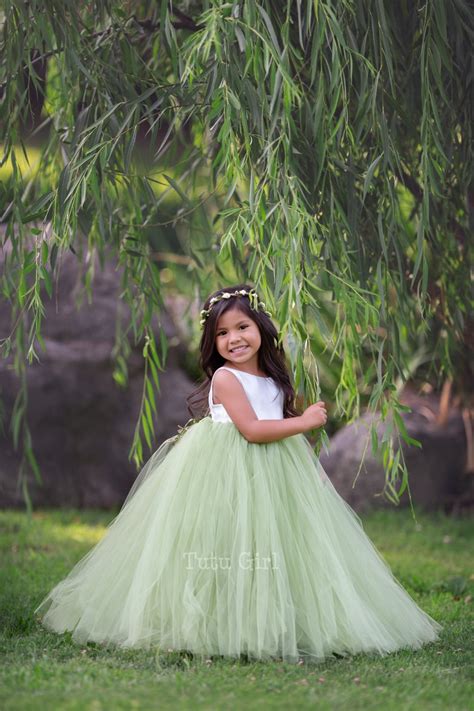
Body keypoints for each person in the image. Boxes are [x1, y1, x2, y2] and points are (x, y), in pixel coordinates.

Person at [36, 284, 442, 664]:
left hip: (275, 471)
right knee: (227, 545)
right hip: (227, 469)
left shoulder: (272, 378)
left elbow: (277, 423)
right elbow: (252, 430)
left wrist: (309, 464)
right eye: (222, 333)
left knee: (279, 544)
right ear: (213, 343)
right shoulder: (226, 378)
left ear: (261, 327)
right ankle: (215, 621)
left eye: (242, 327)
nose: (235, 339)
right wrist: (307, 423)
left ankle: (274, 618)